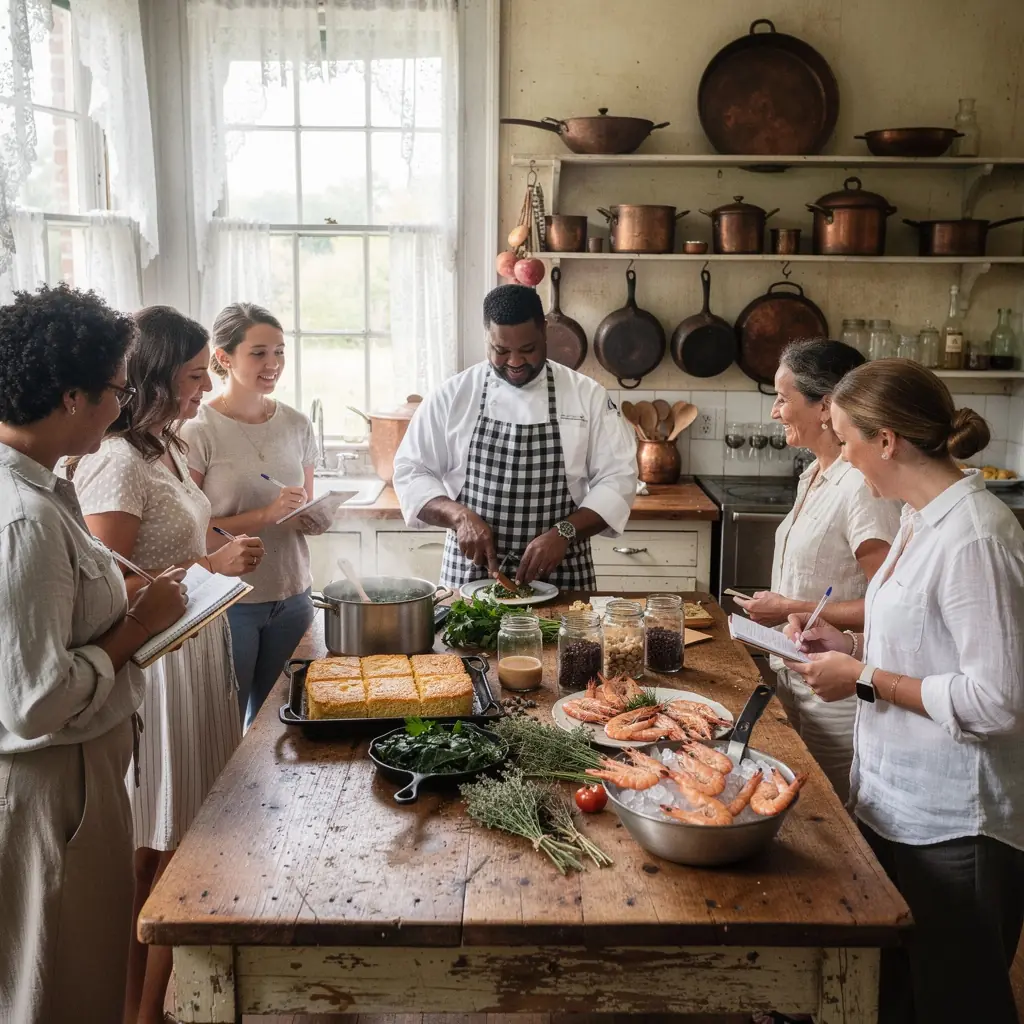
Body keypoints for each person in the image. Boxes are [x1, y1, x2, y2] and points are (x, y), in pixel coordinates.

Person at [782, 358, 1024, 1023]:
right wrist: (849, 649)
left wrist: (863, 677)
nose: (845, 457)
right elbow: (922, 645)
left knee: (958, 1004)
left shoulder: (977, 537)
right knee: (890, 999)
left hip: (956, 825)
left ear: (886, 440)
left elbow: (997, 700)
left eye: (846, 438)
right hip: (891, 804)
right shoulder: (919, 521)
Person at [72, 306, 265, 1024]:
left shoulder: (167, 449)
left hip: (193, 654)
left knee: (184, 849)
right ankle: (137, 1014)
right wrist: (209, 563)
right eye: (191, 376)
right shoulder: (114, 463)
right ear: (151, 375)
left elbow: (168, 550)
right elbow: (109, 589)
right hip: (154, 670)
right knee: (150, 857)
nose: (201, 389)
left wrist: (214, 556)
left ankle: (165, 1007)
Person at [0, 285, 187, 1024]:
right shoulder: (26, 520)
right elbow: (36, 699)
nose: (122, 403)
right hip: (55, 790)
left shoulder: (44, 490)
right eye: (115, 388)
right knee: (59, 990)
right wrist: (137, 625)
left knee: (71, 978)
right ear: (72, 396)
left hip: (78, 778)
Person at [732, 340, 900, 801]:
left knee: (830, 818)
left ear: (826, 407)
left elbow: (891, 605)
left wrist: (790, 606)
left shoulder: (862, 489)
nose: (774, 412)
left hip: (837, 698)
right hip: (796, 679)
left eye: (783, 398)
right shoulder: (814, 474)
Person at [393, 283, 637, 589]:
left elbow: (619, 478)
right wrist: (459, 517)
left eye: (528, 349)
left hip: (564, 575)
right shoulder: (452, 395)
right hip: (470, 576)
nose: (515, 362)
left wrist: (565, 532)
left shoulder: (586, 395)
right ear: (486, 338)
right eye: (501, 350)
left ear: (544, 332)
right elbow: (411, 472)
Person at [182, 303, 321, 730]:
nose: (273, 364)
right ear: (224, 358)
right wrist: (265, 513)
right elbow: (192, 532)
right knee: (226, 731)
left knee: (286, 726)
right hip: (229, 601)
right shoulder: (197, 428)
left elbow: (303, 510)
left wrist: (314, 517)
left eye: (279, 351)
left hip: (294, 595)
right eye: (258, 353)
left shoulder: (297, 424)